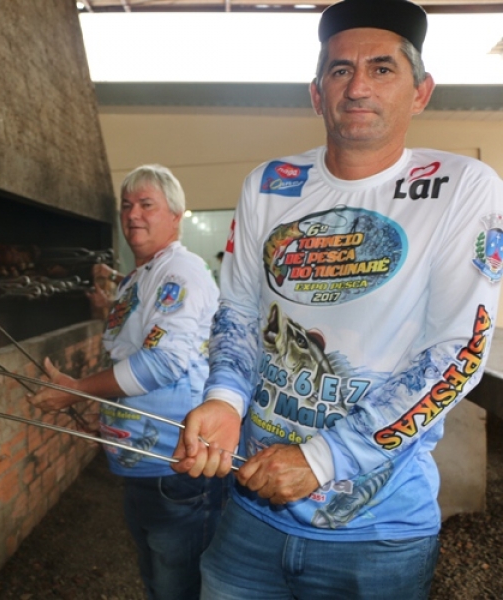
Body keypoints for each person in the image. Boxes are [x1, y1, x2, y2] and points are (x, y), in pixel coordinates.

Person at [172, 1, 503, 598]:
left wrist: (324, 458)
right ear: (316, 93)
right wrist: (222, 398)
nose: (358, 87)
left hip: (377, 535)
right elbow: (241, 315)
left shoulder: (461, 187)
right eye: (339, 70)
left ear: (421, 92)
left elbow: (458, 353)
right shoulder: (270, 185)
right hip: (250, 513)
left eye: (382, 69)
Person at [30, 164, 226, 600]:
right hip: (144, 465)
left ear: (176, 215)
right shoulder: (140, 276)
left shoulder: (180, 273)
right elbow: (131, 354)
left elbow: (161, 364)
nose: (133, 214)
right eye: (126, 205)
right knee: (158, 582)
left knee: (180, 587)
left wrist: (76, 390)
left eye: (146, 204)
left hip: (177, 466)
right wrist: (102, 415)